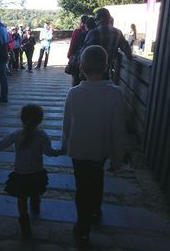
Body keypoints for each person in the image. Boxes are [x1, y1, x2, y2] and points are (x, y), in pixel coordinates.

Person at [62, 45, 126, 246]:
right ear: (106, 66)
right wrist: (118, 158)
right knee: (97, 180)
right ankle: (96, 210)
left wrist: (65, 145)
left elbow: (66, 125)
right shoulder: (115, 94)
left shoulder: (74, 93)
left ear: (81, 68)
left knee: (82, 187)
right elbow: (118, 130)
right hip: (100, 150)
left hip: (78, 150)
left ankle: (83, 227)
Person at [0, 104, 62, 237]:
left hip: (20, 173)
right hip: (36, 172)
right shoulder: (42, 135)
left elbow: (1, 144)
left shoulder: (16, 134)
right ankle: (35, 204)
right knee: (35, 190)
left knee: (21, 198)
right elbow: (49, 152)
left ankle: (24, 222)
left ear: (21, 118)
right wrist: (60, 152)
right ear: (40, 120)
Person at [82, 8, 133, 80]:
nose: (96, 22)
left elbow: (84, 52)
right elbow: (126, 49)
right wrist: (130, 56)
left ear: (101, 19)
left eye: (96, 20)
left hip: (90, 72)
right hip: (106, 70)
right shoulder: (118, 32)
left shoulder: (93, 32)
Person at [67, 17, 97, 86]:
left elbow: (73, 45)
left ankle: (76, 93)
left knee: (76, 81)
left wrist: (70, 55)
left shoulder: (79, 32)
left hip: (80, 61)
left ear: (85, 24)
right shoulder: (96, 34)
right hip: (93, 63)